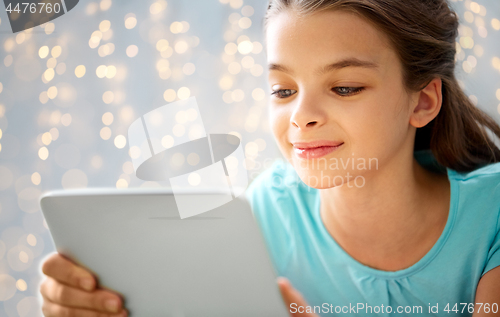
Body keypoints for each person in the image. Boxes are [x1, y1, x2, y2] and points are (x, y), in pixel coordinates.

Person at [39, 0, 500, 316]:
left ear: (422, 102)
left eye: (344, 87)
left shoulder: (492, 215)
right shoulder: (260, 217)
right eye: (283, 90)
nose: (301, 117)